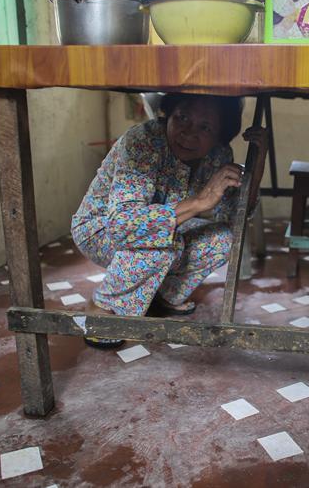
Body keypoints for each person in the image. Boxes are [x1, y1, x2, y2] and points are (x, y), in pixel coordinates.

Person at [71, 93, 263, 347]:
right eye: (182, 117)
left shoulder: (218, 154)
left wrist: (257, 163)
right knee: (162, 245)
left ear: (219, 134)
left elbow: (232, 216)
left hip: (162, 231)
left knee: (225, 238)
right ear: (168, 113)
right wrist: (199, 202)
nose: (188, 133)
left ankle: (163, 295)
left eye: (205, 127)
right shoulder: (142, 142)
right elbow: (122, 226)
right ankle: (106, 309)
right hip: (99, 229)